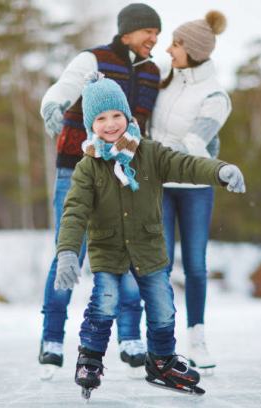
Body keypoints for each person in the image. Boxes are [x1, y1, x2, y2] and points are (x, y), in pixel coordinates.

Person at [54, 74, 245, 397]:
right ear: (91, 125)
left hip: (149, 249)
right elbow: (74, 212)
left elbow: (185, 165)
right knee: (105, 302)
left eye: (116, 115)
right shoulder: (88, 167)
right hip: (108, 251)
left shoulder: (150, 154)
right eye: (101, 118)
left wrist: (219, 171)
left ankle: (161, 361)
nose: (111, 124)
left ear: (128, 117)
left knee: (163, 308)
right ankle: (90, 358)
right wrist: (68, 251)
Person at [37, 3, 162, 378]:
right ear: (127, 33)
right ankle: (52, 338)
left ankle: (129, 337)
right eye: (148, 32)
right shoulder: (94, 59)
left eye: (157, 33)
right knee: (68, 249)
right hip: (75, 166)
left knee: (127, 250)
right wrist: (52, 105)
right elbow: (64, 87)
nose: (154, 39)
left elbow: (172, 110)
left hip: (124, 172)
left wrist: (203, 141)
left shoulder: (155, 71)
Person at [149, 10, 231, 373]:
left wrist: (157, 151)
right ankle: (160, 341)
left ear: (194, 50)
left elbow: (195, 143)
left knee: (195, 266)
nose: (169, 49)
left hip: (196, 188)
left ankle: (196, 337)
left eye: (177, 44)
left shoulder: (215, 96)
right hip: (160, 187)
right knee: (160, 264)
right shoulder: (164, 83)